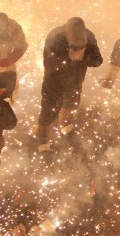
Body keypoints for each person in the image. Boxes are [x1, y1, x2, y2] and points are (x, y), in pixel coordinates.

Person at [36, 17, 103, 152]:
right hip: (53, 83)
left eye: (80, 46)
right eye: (74, 46)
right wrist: (68, 60)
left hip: (75, 82)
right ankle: (43, 143)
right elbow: (49, 66)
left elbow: (98, 61)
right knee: (48, 112)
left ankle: (65, 126)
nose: (77, 48)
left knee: (71, 105)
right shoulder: (54, 38)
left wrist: (84, 57)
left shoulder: (89, 38)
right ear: (67, 34)